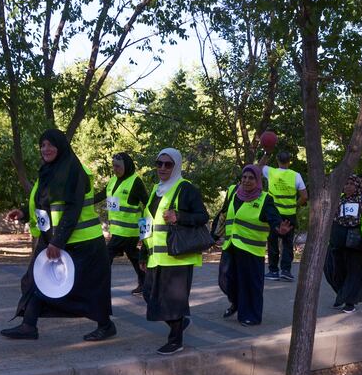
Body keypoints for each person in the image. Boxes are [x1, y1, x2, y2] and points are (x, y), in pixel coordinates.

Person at [1, 130, 115, 341]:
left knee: (88, 288)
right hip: (54, 240)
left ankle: (106, 325)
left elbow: (73, 208)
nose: (46, 149)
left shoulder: (74, 171)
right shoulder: (48, 171)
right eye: (42, 145)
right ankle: (28, 326)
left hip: (82, 243)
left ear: (61, 146)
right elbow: (43, 201)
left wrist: (57, 241)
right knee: (35, 281)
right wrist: (24, 212)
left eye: (50, 145)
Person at [140, 148, 209, 355]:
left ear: (176, 166)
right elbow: (147, 223)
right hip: (156, 255)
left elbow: (202, 216)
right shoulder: (156, 190)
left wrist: (179, 216)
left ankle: (176, 339)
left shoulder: (185, 188)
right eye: (159, 163)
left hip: (177, 256)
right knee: (148, 294)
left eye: (167, 164)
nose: (162, 168)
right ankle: (178, 323)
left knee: (173, 301)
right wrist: (143, 253)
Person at [216, 165, 292, 325]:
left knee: (250, 283)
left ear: (258, 181)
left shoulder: (265, 199)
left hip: (251, 248)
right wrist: (214, 235)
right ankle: (236, 302)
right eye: (244, 177)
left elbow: (273, 218)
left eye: (251, 178)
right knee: (226, 278)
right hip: (230, 245)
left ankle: (251, 315)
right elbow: (223, 214)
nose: (246, 180)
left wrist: (280, 228)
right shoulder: (233, 193)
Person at [94, 152, 148, 296]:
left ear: (127, 166)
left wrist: (146, 231)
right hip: (118, 230)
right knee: (134, 256)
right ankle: (145, 283)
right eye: (113, 166)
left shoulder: (135, 182)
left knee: (106, 256)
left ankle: (100, 287)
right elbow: (102, 194)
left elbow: (147, 203)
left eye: (118, 166)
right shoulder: (113, 180)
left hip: (129, 231)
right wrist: (85, 202)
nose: (115, 169)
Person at [323, 175, 362, 313]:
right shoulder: (337, 199)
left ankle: (349, 302)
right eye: (345, 183)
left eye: (351, 184)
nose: (347, 186)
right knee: (333, 271)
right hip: (337, 242)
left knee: (353, 273)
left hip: (355, 244)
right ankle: (342, 294)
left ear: (357, 186)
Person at [261, 151, 307, 282]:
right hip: (289, 214)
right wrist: (295, 205)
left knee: (273, 242)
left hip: (274, 214)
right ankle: (286, 271)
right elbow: (304, 196)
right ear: (289, 161)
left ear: (277, 160)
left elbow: (257, 168)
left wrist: (266, 153)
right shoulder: (296, 176)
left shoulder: (270, 172)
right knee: (287, 243)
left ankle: (273, 271)